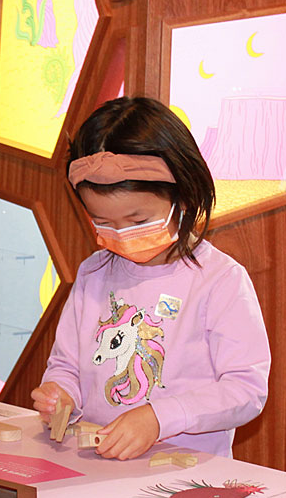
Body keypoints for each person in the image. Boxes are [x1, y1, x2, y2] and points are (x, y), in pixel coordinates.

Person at [31, 96, 270, 460]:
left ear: (184, 198)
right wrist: (59, 393)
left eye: (138, 221)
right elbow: (68, 366)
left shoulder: (219, 281)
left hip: (185, 475)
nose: (122, 235)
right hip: (98, 472)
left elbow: (245, 390)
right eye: (104, 223)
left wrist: (159, 418)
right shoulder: (94, 273)